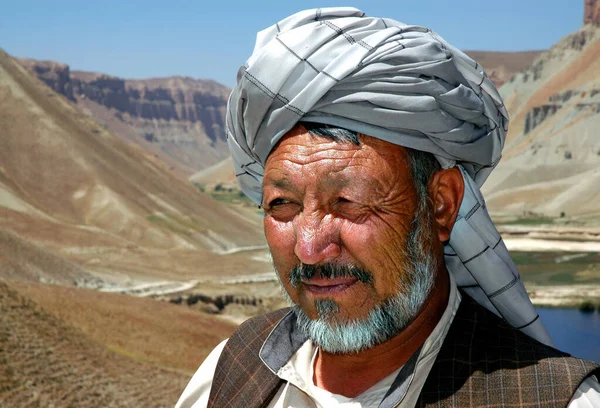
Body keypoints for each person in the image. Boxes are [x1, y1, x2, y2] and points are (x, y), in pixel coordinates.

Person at [176, 8, 600, 408]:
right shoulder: (232, 369)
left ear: (440, 206)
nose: (309, 249)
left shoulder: (551, 399)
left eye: (348, 202)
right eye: (282, 204)